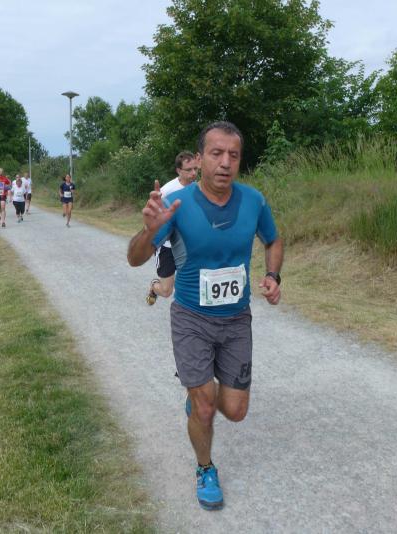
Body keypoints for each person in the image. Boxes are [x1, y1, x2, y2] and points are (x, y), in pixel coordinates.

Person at [126, 121, 284, 511]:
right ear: (199, 159)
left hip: (237, 320)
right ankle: (205, 467)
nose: (225, 162)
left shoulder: (253, 201)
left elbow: (273, 240)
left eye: (234, 155)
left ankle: (198, 395)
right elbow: (134, 258)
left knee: (235, 410)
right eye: (216, 153)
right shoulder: (177, 205)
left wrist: (272, 275)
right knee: (205, 407)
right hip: (191, 318)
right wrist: (148, 231)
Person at [145, 151, 199, 305]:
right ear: (178, 171)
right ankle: (154, 287)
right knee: (166, 291)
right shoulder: (167, 190)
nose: (193, 173)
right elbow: (152, 217)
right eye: (189, 170)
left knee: (194, 282)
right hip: (167, 245)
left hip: (188, 245)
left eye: (195, 169)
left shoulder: (198, 188)